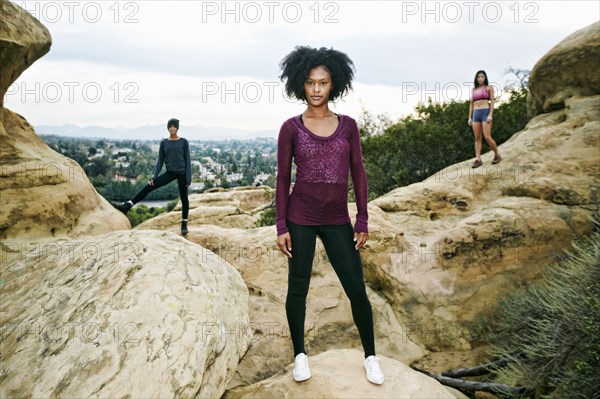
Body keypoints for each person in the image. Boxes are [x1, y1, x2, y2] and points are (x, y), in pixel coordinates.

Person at [275, 46, 384, 385]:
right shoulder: (291, 128)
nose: (317, 89)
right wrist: (281, 225)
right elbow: (281, 179)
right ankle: (300, 356)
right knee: (298, 288)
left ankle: (370, 357)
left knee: (356, 289)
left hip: (338, 219)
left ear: (333, 84)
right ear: (300, 85)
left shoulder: (348, 125)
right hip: (301, 217)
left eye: (323, 83)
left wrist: (362, 218)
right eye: (310, 83)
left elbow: (359, 173)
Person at [112, 118, 192, 235]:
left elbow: (188, 160)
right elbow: (160, 161)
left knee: (184, 199)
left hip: (182, 173)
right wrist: (154, 176)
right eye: (170, 126)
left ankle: (184, 223)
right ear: (168, 128)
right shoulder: (164, 143)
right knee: (149, 186)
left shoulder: (183, 142)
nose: (172, 128)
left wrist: (188, 179)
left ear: (177, 128)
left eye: (174, 126)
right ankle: (128, 205)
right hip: (170, 173)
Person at [468, 70, 501, 168]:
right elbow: (471, 104)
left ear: (485, 78)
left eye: (482, 77)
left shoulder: (489, 88)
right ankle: (478, 159)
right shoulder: (473, 89)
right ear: (476, 78)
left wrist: (490, 115)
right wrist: (469, 117)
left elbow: (492, 101)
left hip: (485, 112)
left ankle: (497, 155)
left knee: (487, 136)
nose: (480, 79)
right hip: (476, 115)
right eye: (478, 77)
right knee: (477, 138)